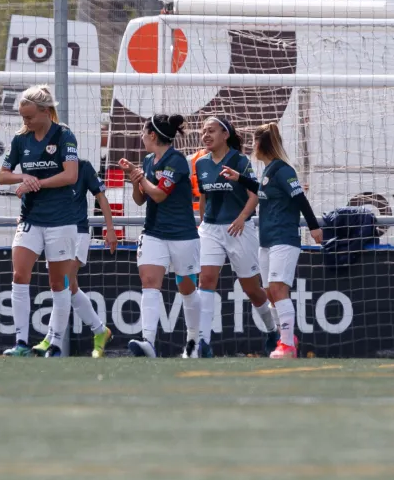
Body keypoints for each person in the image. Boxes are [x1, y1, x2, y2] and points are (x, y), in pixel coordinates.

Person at [221, 122, 323, 359]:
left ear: (262, 144)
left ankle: (287, 345)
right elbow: (263, 190)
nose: (252, 146)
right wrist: (240, 179)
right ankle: (287, 338)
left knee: (278, 289)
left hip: (283, 239)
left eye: (254, 142)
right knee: (270, 292)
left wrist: (314, 227)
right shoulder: (269, 170)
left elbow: (300, 199)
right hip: (266, 240)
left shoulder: (284, 170)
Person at [0, 86, 80, 357]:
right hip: (30, 218)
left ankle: (54, 344)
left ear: (45, 112)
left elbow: (70, 176)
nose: (26, 121)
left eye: (30, 117)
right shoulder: (21, 139)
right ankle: (21, 343)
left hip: (61, 220)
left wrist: (38, 183)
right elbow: (2, 176)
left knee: (58, 283)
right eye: (23, 117)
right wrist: (23, 177)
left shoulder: (64, 135)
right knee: (19, 275)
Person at [195, 117, 279, 357]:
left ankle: (272, 330)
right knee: (206, 280)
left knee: (251, 289)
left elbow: (255, 194)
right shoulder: (200, 163)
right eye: (203, 131)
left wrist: (242, 218)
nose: (206, 135)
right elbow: (203, 197)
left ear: (225, 134)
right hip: (210, 229)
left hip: (239, 229)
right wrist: (203, 222)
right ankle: (202, 342)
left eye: (211, 131)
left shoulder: (240, 161)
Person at [119, 114, 201, 358]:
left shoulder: (176, 160)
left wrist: (141, 176)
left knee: (187, 288)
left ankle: (194, 342)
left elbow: (159, 194)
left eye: (143, 133)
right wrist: (135, 179)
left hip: (182, 234)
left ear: (152, 135)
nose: (142, 137)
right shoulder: (147, 160)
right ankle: (148, 342)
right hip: (154, 232)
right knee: (149, 282)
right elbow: (141, 199)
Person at [32, 159, 119, 358]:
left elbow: (101, 197)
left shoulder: (83, 166)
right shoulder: (48, 164)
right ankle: (100, 330)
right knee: (70, 288)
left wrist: (110, 229)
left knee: (62, 285)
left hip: (78, 232)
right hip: (55, 231)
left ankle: (51, 341)